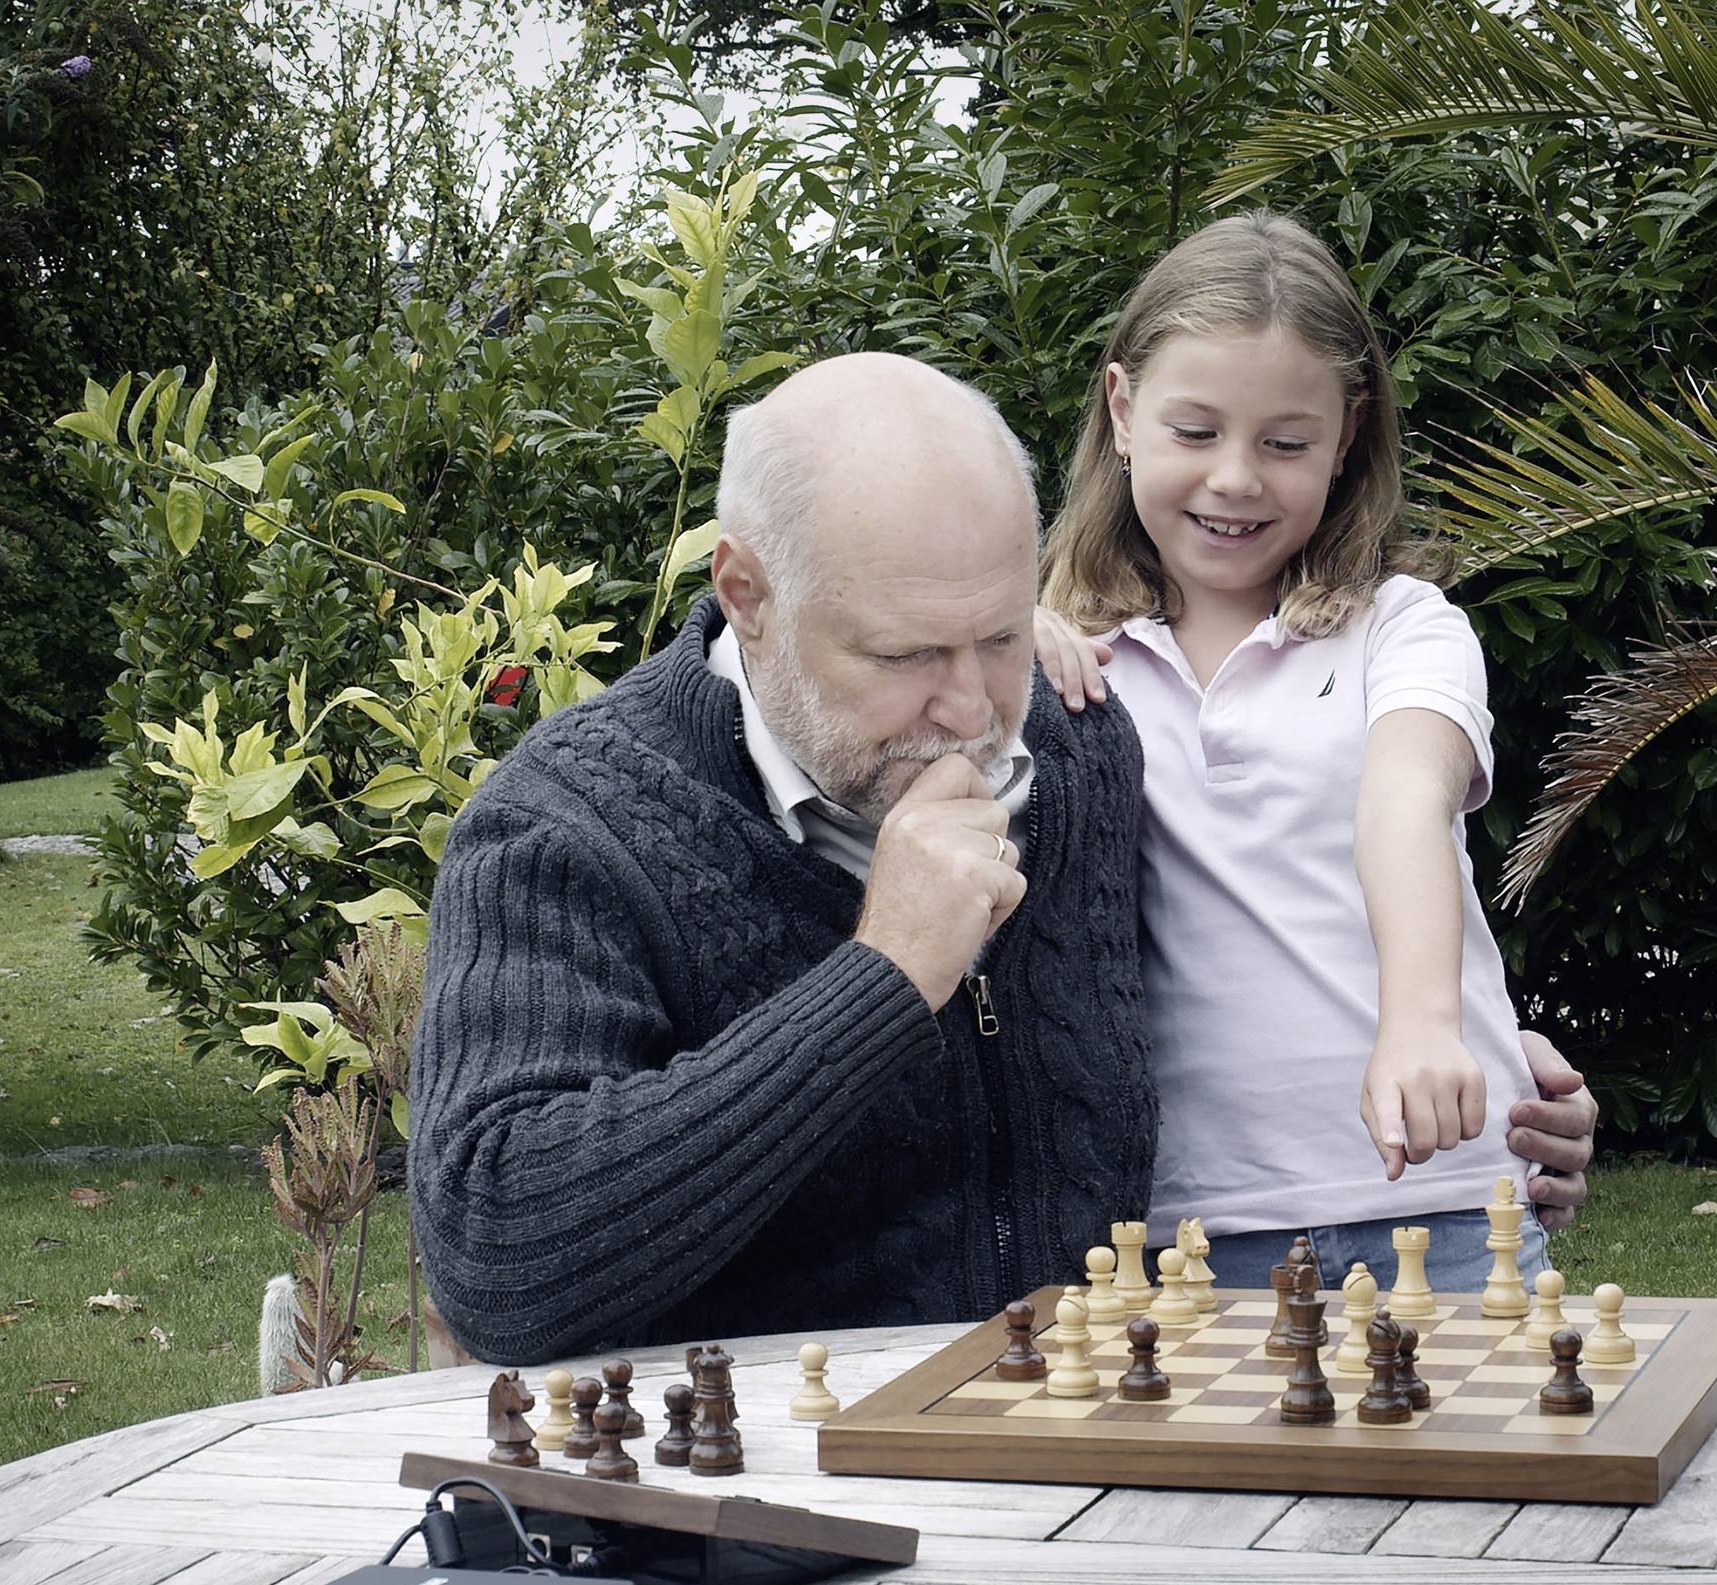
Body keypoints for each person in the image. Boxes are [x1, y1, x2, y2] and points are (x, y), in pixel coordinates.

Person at [409, 352, 1594, 1366]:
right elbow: (497, 1257)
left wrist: (1486, 1056)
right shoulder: (565, 829)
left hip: (1093, 1448)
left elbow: (1245, 940)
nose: (971, 706)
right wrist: (880, 977)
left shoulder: (1078, 747)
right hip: (758, 1501)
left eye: (995, 634)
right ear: (747, 594)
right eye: (909, 654)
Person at [1037, 212, 1568, 1295]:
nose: (1237, 478)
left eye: (1285, 444)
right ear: (1123, 407)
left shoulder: (1403, 625)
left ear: (1347, 437)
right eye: (1196, 431)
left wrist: (1422, 1026)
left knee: (1490, 1466)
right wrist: (1006, 640)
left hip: (1445, 1199)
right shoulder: (1062, 660)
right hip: (1196, 1225)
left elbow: (1406, 801)